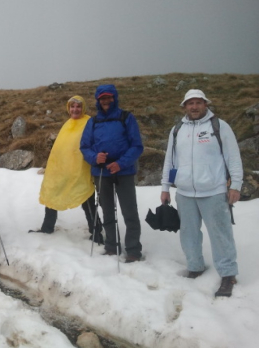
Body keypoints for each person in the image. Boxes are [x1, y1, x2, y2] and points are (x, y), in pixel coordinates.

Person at [161, 89, 242, 297]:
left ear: (205, 104)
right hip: (185, 192)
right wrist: (165, 187)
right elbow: (170, 160)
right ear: (184, 106)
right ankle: (195, 266)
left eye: (198, 102)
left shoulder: (219, 126)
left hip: (213, 191)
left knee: (220, 234)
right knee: (189, 233)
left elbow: (233, 158)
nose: (194, 107)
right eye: (190, 103)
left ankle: (227, 274)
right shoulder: (177, 130)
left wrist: (236, 185)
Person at [80, 84, 144, 262]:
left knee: (129, 211)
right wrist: (95, 157)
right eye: (102, 98)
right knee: (107, 210)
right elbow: (84, 147)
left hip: (124, 171)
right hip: (101, 172)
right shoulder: (93, 122)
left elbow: (137, 145)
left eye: (109, 97)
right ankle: (111, 246)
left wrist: (120, 163)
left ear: (114, 98)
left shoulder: (126, 117)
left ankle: (133, 250)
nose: (106, 101)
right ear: (98, 100)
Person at [34, 95, 103, 242]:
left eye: (78, 106)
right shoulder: (67, 124)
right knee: (53, 193)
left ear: (83, 108)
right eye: (72, 106)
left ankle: (96, 231)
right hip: (61, 168)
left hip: (81, 167)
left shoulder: (89, 122)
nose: (75, 109)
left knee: (85, 196)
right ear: (68, 108)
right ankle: (47, 227)